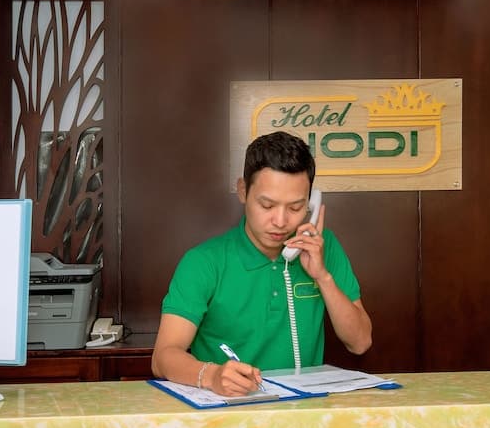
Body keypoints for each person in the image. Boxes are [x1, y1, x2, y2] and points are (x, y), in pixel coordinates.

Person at [151, 131, 372, 396]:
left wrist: (323, 276)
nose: (280, 221)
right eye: (267, 205)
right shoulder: (203, 262)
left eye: (295, 208)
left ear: (311, 203)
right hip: (228, 408)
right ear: (243, 191)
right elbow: (163, 357)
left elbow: (360, 342)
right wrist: (213, 376)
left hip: (304, 411)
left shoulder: (323, 247)